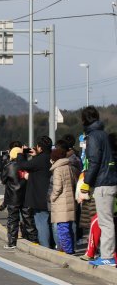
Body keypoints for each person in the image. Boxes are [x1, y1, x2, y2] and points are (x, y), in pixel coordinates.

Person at [79, 106, 117, 266]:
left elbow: (94, 162)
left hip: (103, 183)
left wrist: (86, 183)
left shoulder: (93, 137)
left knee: (105, 221)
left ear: (84, 120)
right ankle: (107, 254)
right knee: (106, 220)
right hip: (110, 179)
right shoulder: (103, 134)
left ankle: (107, 256)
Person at [17, 135, 53, 247]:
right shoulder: (49, 157)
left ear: (40, 148)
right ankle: (50, 245)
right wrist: (36, 155)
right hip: (48, 194)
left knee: (41, 222)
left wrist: (21, 154)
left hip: (39, 197)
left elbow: (22, 165)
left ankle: (45, 248)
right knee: (47, 222)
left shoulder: (40, 159)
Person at [49, 146, 78, 254]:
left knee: (62, 228)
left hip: (61, 202)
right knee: (68, 228)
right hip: (69, 200)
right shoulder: (68, 167)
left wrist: (52, 198)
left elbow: (57, 188)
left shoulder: (57, 169)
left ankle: (67, 250)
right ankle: (69, 248)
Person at [1, 147, 30, 249]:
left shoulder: (8, 166)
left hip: (13, 196)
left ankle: (12, 242)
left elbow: (3, 180)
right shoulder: (26, 165)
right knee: (27, 218)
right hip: (25, 196)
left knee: (13, 220)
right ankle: (32, 240)